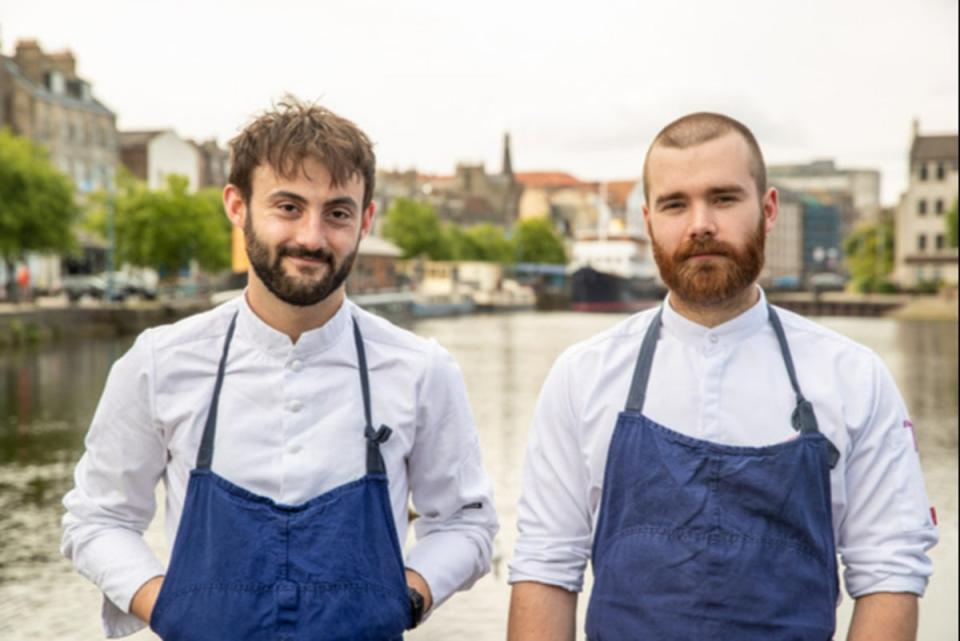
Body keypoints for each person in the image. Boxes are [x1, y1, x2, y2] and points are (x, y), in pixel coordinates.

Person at [62, 98, 498, 640]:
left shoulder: (421, 370)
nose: (312, 237)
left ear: (365, 219)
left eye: (337, 212)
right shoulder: (158, 363)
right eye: (288, 207)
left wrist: (405, 595)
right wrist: (168, 604)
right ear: (237, 207)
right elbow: (97, 518)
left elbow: (466, 520)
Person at [506, 113, 938, 641]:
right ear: (648, 221)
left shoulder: (854, 378)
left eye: (724, 198)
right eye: (675, 204)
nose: (700, 223)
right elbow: (546, 568)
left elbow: (890, 574)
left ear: (769, 209)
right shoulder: (582, 377)